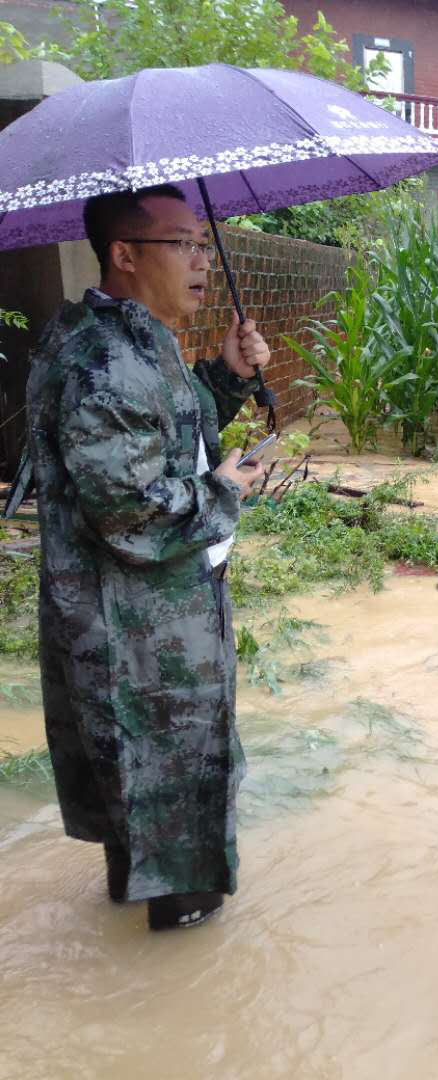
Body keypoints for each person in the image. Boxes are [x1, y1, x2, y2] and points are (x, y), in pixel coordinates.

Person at [25, 184, 271, 930]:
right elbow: (129, 510)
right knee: (174, 819)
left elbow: (167, 434)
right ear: (124, 254)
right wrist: (226, 490)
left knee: (148, 816)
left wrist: (225, 376)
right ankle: (183, 980)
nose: (200, 260)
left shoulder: (134, 340)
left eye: (201, 245)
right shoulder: (104, 359)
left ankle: (151, 956)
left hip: (154, 622)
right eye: (181, 244)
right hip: (140, 638)